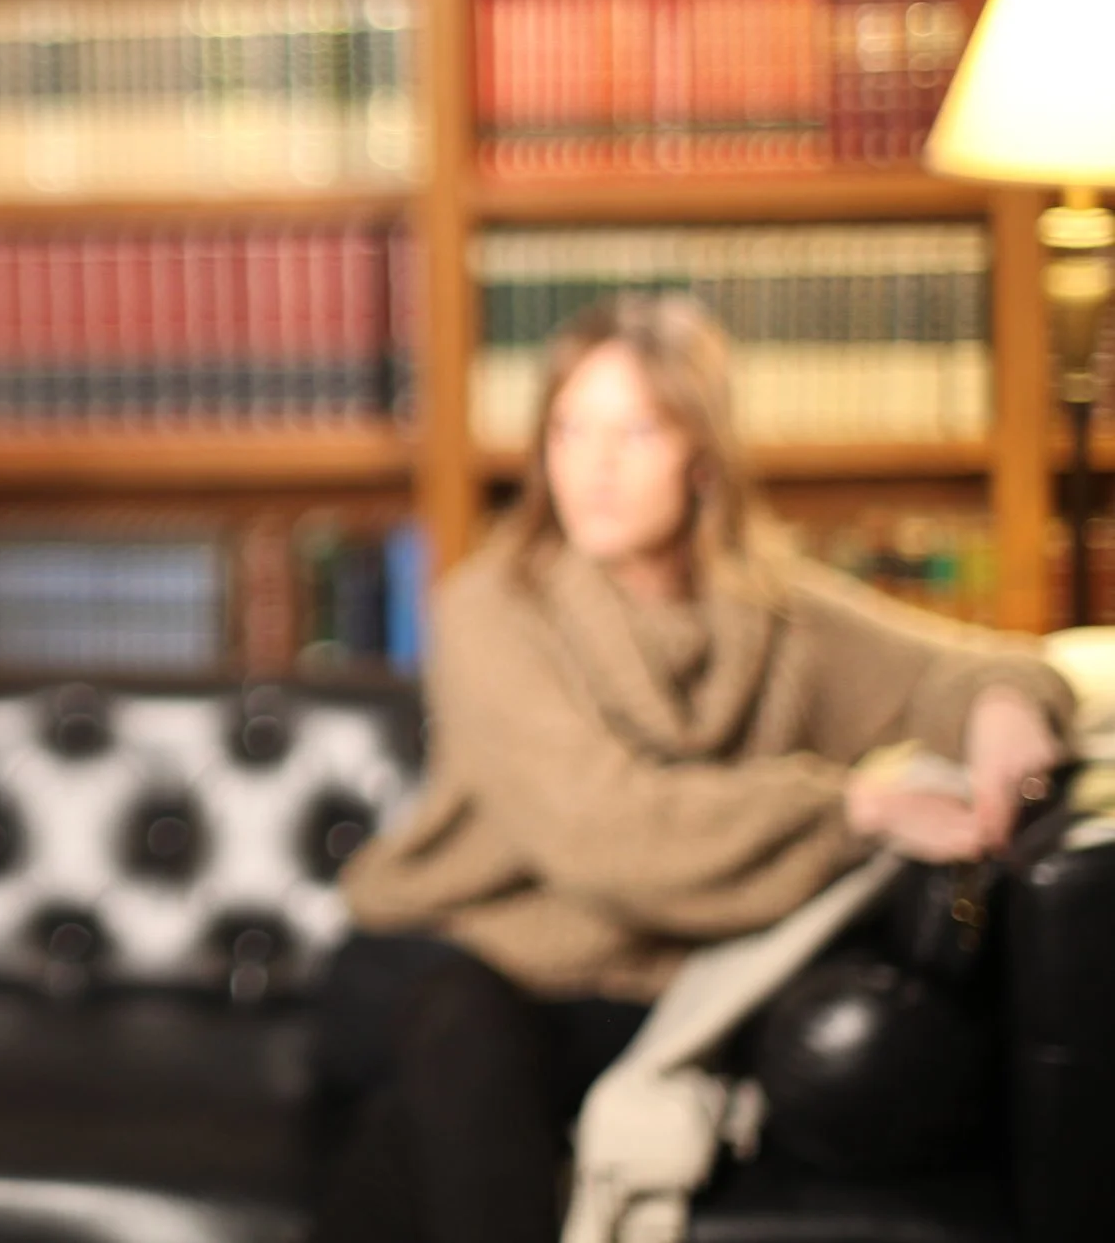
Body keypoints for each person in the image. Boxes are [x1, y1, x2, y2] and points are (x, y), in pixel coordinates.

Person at [313, 295, 1073, 1243]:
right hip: (444, 950)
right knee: (460, 1031)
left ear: (701, 453)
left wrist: (1004, 716)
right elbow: (607, 832)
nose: (593, 464)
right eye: (568, 427)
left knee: (401, 1153)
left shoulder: (775, 614)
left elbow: (968, 667)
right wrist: (853, 810)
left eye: (634, 429)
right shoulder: (490, 607)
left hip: (637, 990)